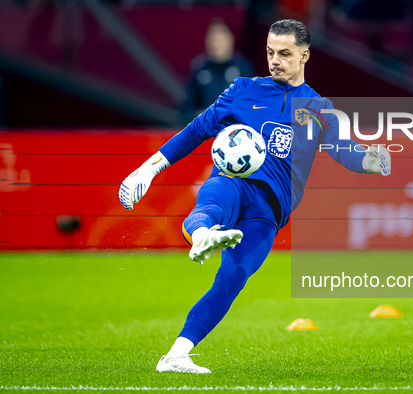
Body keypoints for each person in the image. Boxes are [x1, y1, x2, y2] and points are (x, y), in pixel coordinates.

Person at [118, 19, 391, 374]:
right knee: (211, 203)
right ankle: (202, 236)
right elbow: (197, 129)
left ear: (304, 56)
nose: (275, 60)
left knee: (235, 274)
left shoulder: (320, 109)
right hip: (235, 181)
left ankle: (176, 355)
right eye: (269, 52)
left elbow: (344, 151)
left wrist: (371, 159)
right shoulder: (242, 89)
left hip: (269, 211)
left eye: (284, 54)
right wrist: (150, 168)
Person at [181, 20, 253, 122]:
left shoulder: (243, 69)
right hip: (205, 131)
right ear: (206, 41)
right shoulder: (199, 68)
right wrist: (197, 115)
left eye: (220, 38)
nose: (217, 43)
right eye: (213, 39)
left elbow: (251, 104)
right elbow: (185, 108)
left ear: (231, 39)